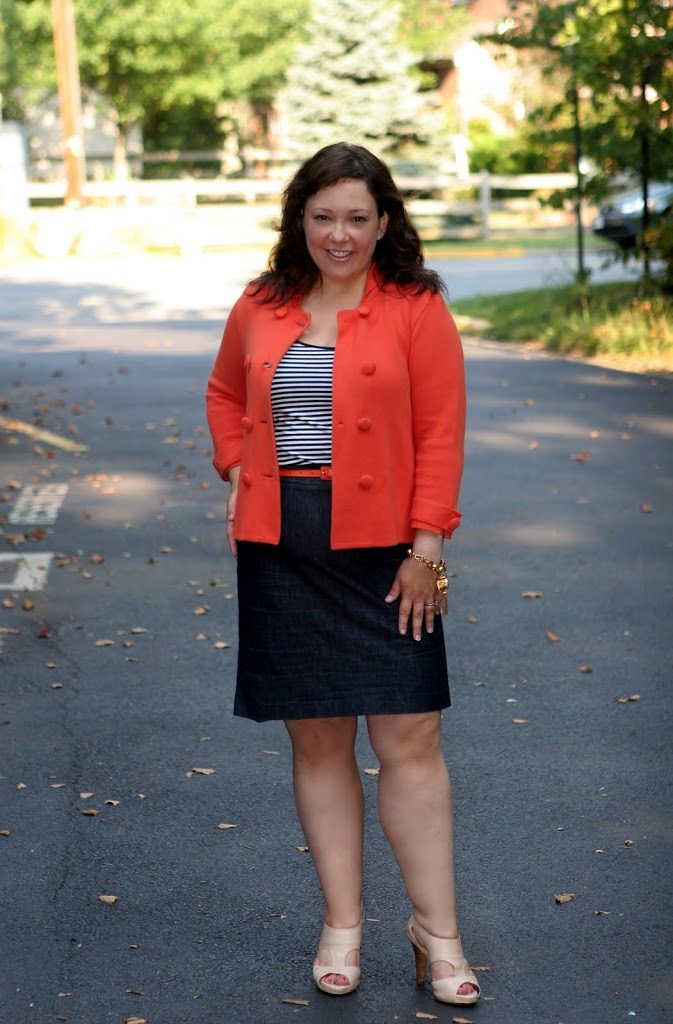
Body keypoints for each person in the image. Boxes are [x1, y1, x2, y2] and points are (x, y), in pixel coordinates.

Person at [206, 142, 479, 1006]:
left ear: (384, 222)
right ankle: (343, 926)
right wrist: (238, 469)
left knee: (410, 738)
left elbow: (440, 431)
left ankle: (437, 933)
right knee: (318, 739)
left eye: (357, 217)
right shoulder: (261, 302)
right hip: (282, 547)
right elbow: (222, 394)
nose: (339, 233)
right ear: (299, 219)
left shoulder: (413, 306)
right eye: (323, 216)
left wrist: (427, 547)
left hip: (391, 549)